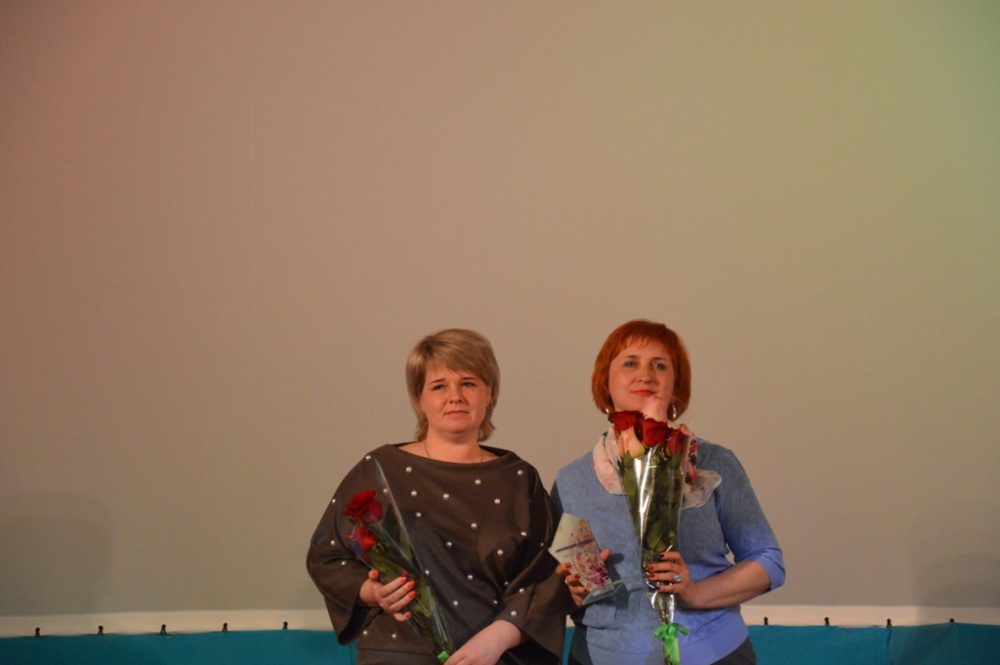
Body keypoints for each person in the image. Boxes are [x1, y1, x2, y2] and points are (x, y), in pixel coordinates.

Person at [307, 329, 565, 665]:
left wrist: (497, 638)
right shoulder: (380, 469)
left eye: (468, 383)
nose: (455, 396)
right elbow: (326, 557)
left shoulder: (520, 479)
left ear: (490, 393)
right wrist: (373, 593)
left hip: (495, 658)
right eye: (439, 386)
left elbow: (544, 580)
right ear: (419, 399)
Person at [551, 319, 784, 665]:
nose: (645, 375)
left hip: (714, 654)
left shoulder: (714, 464)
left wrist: (696, 593)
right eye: (630, 363)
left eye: (659, 365)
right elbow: (568, 593)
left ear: (676, 386)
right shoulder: (572, 480)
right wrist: (572, 592)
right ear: (606, 382)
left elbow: (768, 561)